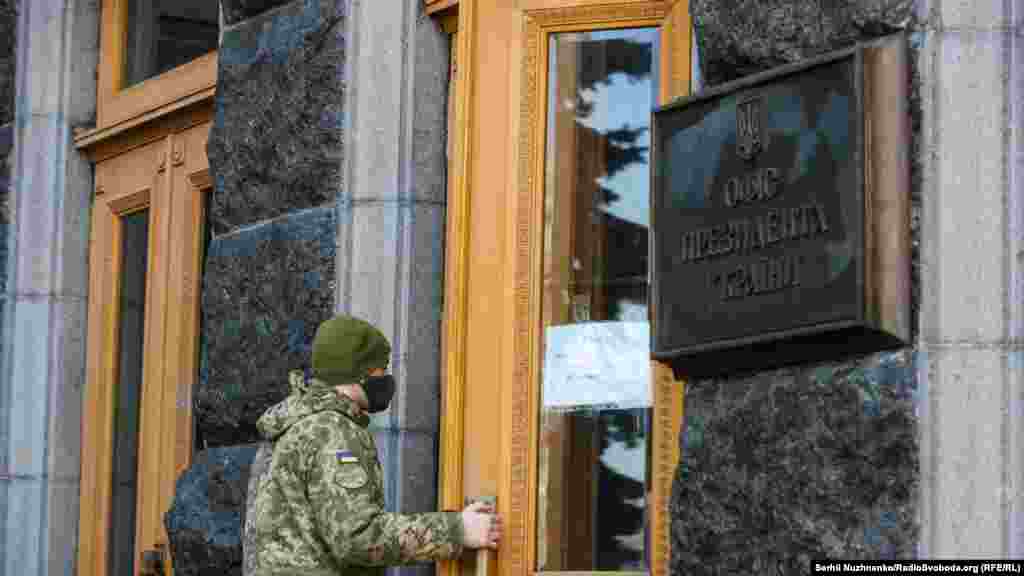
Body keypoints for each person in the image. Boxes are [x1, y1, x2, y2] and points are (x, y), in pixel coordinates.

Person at [244, 314, 502, 576]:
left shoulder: (291, 426)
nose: (386, 377)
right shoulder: (331, 432)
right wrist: (457, 530)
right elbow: (358, 537)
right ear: (361, 372)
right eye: (382, 367)